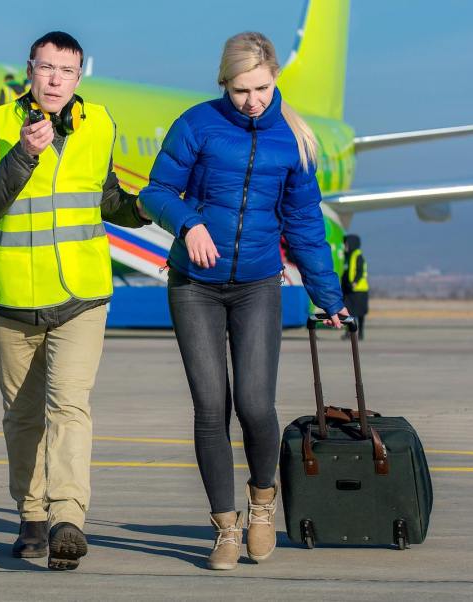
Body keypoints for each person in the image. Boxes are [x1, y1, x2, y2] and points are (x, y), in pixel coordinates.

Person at [139, 31, 348, 571]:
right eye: (239, 91)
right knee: (211, 409)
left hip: (258, 285)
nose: (252, 100)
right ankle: (225, 528)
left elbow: (304, 225)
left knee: (256, 405)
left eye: (261, 88)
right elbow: (155, 191)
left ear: (274, 78)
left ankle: (261, 505)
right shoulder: (197, 124)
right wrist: (189, 224)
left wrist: (328, 298)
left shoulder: (294, 140)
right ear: (223, 84)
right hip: (194, 287)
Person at [0, 31, 148, 571]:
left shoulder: (101, 123)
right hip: (12, 296)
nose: (54, 80)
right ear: (29, 70)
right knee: (22, 418)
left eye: (65, 71)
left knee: (69, 406)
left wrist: (152, 208)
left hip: (81, 295)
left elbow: (105, 196)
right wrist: (23, 153)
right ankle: (32, 517)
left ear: (78, 76)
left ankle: (68, 518)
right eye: (45, 68)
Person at [342, 234, 369, 339]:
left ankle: (361, 333)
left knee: (360, 313)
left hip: (359, 289)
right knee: (348, 312)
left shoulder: (357, 255)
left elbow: (360, 270)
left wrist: (355, 282)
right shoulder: (348, 256)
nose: (345, 246)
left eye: (346, 244)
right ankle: (349, 332)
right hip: (350, 289)